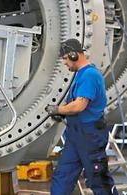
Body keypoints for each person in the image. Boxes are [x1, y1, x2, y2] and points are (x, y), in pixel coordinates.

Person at [47, 39, 117, 195]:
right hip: (76, 134)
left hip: (90, 135)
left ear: (73, 55)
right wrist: (63, 112)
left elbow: (79, 106)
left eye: (65, 58)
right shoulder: (81, 74)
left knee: (97, 179)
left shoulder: (89, 75)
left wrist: (58, 109)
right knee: (62, 176)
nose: (65, 63)